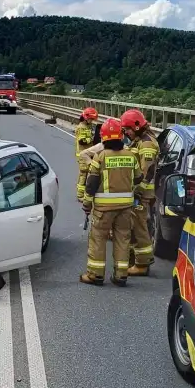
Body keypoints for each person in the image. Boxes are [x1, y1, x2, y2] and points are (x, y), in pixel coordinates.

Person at [80, 117, 142, 287]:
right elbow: (138, 178)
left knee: (98, 239)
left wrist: (86, 204)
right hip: (126, 208)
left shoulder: (100, 157)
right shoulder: (131, 155)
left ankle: (95, 275)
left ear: (103, 138)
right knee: (123, 239)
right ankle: (121, 275)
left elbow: (91, 184)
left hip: (103, 210)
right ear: (121, 136)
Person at [120, 108, 160, 277]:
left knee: (139, 228)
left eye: (127, 129)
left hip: (142, 194)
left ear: (136, 126)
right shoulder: (139, 141)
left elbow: (148, 172)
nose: (126, 133)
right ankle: (133, 260)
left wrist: (137, 192)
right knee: (132, 227)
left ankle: (142, 264)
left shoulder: (147, 144)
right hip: (137, 192)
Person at [75, 107, 99, 200]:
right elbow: (82, 141)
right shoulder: (81, 127)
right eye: (91, 119)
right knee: (83, 175)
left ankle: (84, 192)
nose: (92, 121)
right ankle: (80, 195)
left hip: (87, 154)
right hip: (82, 155)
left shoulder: (87, 126)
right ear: (86, 117)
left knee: (86, 174)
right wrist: (91, 139)